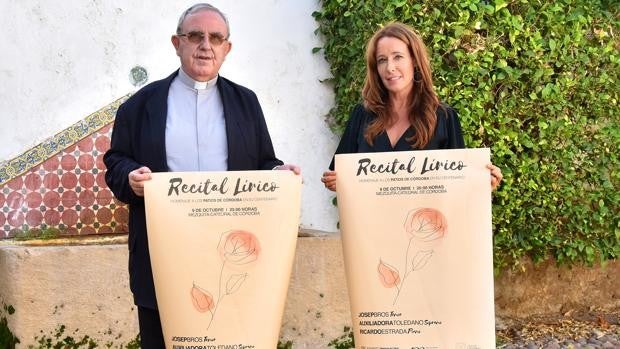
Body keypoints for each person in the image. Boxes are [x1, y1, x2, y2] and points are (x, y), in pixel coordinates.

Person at [103, 3, 299, 348]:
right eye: (195, 36)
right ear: (177, 43)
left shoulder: (246, 103)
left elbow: (264, 162)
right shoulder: (141, 105)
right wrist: (131, 177)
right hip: (161, 255)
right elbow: (116, 160)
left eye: (215, 37)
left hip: (230, 255)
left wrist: (277, 175)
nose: (205, 45)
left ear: (227, 49)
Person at [321, 22, 502, 191]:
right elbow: (338, 174)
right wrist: (335, 181)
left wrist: (482, 183)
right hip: (370, 224)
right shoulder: (363, 115)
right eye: (382, 60)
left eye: (398, 57)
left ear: (414, 61)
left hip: (424, 224)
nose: (390, 68)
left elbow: (459, 184)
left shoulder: (444, 118)